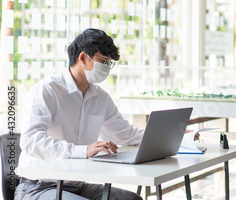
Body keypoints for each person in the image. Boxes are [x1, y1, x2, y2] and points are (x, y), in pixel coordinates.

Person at [16, 29, 143, 200]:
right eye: (103, 60)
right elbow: (31, 141)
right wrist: (84, 151)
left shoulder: (101, 97)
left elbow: (126, 135)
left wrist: (176, 135)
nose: (106, 67)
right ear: (83, 58)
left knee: (131, 199)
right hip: (38, 186)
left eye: (109, 63)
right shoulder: (47, 90)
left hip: (77, 185)